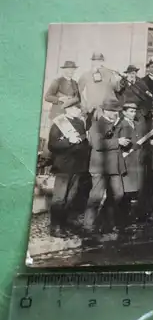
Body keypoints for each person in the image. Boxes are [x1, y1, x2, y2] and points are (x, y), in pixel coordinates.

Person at [83, 99, 127, 236]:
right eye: (113, 111)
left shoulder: (118, 124)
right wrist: (118, 141)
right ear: (106, 111)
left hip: (114, 167)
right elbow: (97, 145)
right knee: (96, 196)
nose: (116, 114)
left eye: (117, 111)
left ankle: (107, 223)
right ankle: (88, 227)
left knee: (118, 194)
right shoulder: (96, 125)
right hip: (100, 167)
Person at [47, 98, 90, 237]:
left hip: (77, 166)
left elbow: (82, 143)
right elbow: (52, 145)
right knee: (59, 198)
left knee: (70, 197)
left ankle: (63, 224)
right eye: (77, 108)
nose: (79, 110)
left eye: (79, 108)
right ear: (69, 109)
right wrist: (68, 141)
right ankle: (55, 227)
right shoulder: (59, 124)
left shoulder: (80, 123)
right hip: (64, 166)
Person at [116, 102, 146, 227]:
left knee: (136, 190)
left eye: (134, 111)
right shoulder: (120, 125)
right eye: (130, 111)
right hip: (127, 160)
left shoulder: (138, 124)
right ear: (124, 112)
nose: (133, 114)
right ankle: (122, 220)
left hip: (137, 161)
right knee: (126, 191)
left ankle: (132, 217)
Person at [78, 52, 121, 124]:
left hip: (107, 109)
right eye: (95, 61)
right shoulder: (86, 75)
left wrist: (117, 80)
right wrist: (84, 105)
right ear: (92, 62)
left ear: (102, 61)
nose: (97, 63)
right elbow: (79, 91)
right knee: (92, 130)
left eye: (99, 61)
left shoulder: (110, 73)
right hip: (92, 109)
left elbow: (117, 88)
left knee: (109, 130)